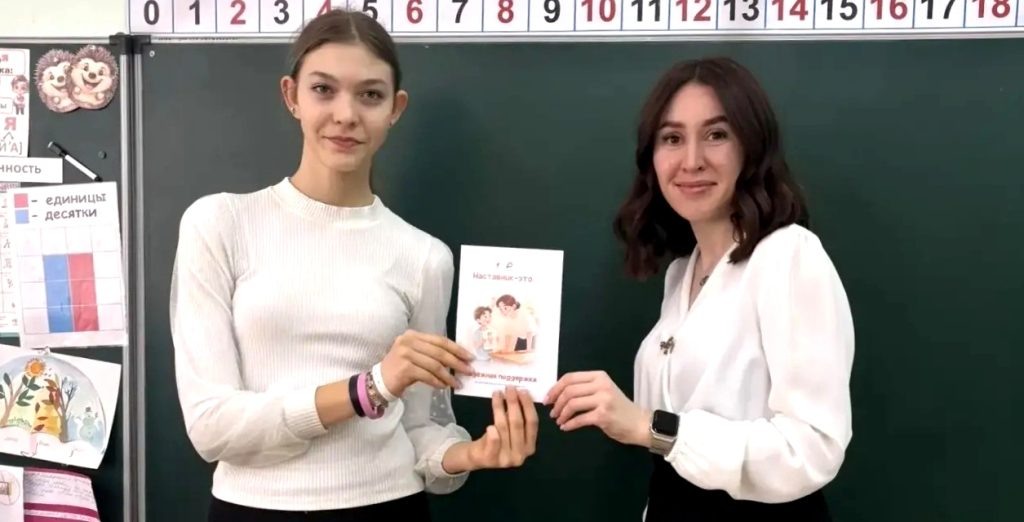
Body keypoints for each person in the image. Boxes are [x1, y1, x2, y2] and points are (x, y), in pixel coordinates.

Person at [169, 9, 538, 522]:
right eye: (324, 89)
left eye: (370, 95)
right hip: (252, 508)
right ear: (291, 96)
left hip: (387, 505)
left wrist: (471, 454)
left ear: (395, 108)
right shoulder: (220, 224)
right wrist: (369, 388)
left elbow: (420, 428)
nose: (346, 114)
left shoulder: (424, 256)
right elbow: (212, 427)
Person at [544, 57, 855, 520]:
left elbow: (812, 447)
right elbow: (670, 458)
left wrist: (649, 426)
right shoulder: (681, 275)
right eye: (672, 138)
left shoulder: (788, 255)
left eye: (716, 134)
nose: (691, 161)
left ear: (751, 146)